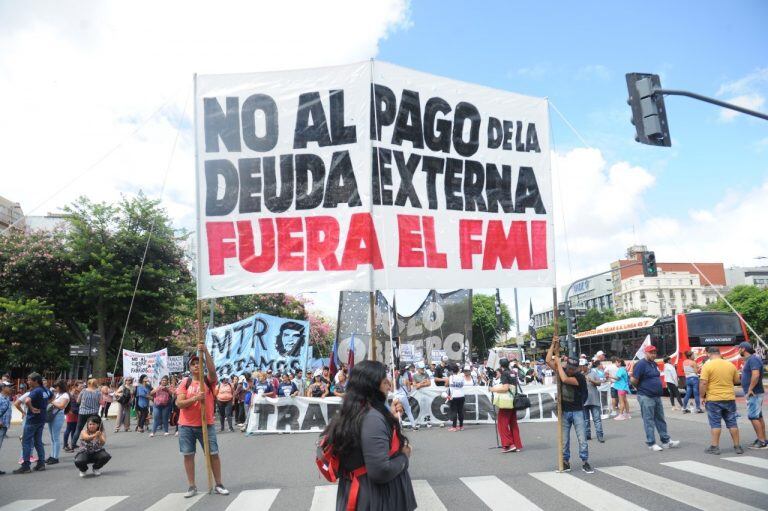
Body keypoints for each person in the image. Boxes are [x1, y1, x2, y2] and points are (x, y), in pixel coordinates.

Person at [322, 360, 416, 511]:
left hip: (364, 492)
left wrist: (389, 416)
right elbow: (380, 471)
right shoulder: (372, 417)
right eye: (385, 382)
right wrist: (404, 456)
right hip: (375, 498)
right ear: (371, 386)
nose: (389, 386)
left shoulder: (358, 410)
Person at [175, 343, 229, 497]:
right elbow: (179, 403)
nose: (196, 365)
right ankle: (192, 486)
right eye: (193, 364)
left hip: (206, 424)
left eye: (199, 363)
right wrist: (195, 399)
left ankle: (218, 484)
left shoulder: (208, 380)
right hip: (186, 426)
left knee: (213, 454)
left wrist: (205, 351)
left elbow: (213, 371)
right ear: (190, 368)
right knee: (188, 454)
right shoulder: (185, 382)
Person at [546, 339, 593, 473]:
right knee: (564, 440)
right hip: (564, 411)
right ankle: (565, 462)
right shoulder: (563, 369)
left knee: (582, 438)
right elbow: (548, 359)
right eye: (569, 368)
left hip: (578, 411)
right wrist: (553, 345)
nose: (570, 370)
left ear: (577, 368)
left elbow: (565, 379)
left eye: (573, 369)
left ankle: (585, 461)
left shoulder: (580, 377)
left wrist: (559, 363)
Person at [631, 345, 680, 452]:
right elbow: (633, 380)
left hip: (656, 396)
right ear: (646, 353)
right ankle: (651, 443)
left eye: (654, 352)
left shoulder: (654, 364)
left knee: (660, 419)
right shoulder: (641, 364)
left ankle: (666, 441)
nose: (653, 354)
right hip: (646, 396)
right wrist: (641, 388)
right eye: (651, 353)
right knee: (649, 421)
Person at [700, 346, 742, 454]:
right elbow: (737, 381)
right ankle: (737, 446)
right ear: (719, 353)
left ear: (708, 354)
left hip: (714, 399)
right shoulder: (730, 365)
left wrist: (702, 396)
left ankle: (715, 447)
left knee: (715, 423)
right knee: (732, 422)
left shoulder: (707, 365)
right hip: (729, 398)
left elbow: (703, 383)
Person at [13, 372, 49, 474]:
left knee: (26, 442)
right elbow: (52, 397)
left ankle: (26, 466)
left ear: (36, 381)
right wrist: (43, 407)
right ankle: (41, 463)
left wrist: (32, 408)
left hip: (32, 420)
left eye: (29, 380)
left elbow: (27, 400)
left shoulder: (35, 391)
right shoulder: (45, 390)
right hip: (41, 419)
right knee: (38, 442)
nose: (28, 382)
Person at [738, 342, 767, 449]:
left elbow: (755, 375)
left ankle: (761, 441)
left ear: (743, 349)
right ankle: (762, 438)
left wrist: (750, 389)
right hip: (755, 392)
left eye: (739, 348)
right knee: (758, 416)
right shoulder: (752, 359)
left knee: (753, 416)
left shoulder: (753, 359)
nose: (738, 350)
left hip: (754, 392)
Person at [491, 358, 523, 453]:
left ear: (501, 366)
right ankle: (516, 444)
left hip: (506, 401)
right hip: (514, 400)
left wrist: (493, 389)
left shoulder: (504, 374)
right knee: (513, 423)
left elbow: (505, 388)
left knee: (502, 423)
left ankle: (509, 444)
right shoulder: (513, 372)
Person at [46, 380, 70, 464]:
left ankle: (55, 457)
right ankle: (52, 455)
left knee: (55, 438)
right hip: (52, 416)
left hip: (58, 416)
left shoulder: (65, 395)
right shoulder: (58, 394)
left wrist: (52, 401)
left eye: (56, 387)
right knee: (52, 437)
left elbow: (62, 406)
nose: (55, 388)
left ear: (60, 387)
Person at [583, 359, 605, 443]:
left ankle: (600, 435)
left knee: (597, 419)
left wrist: (591, 380)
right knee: (585, 420)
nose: (582, 367)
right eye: (581, 366)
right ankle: (587, 435)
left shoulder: (593, 373)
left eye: (584, 366)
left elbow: (599, 383)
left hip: (594, 400)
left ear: (586, 365)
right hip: (584, 401)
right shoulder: (579, 374)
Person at [395, 364, 419, 430]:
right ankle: (413, 426)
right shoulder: (406, 380)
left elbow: (392, 389)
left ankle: (399, 426)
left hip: (396, 397)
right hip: (403, 397)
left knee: (398, 411)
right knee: (408, 411)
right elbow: (409, 390)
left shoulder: (394, 380)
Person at [446, 365, 466, 432]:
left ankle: (454, 427)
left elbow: (447, 384)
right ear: (458, 370)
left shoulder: (451, 377)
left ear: (452, 371)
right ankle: (461, 426)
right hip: (461, 395)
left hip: (454, 396)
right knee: (460, 411)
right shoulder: (462, 377)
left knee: (454, 411)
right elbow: (463, 384)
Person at [0, 383, 13, 474]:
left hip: (4, 426)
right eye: (9, 387)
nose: (11, 388)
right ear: (3, 388)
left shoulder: (7, 398)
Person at [63, 383, 80, 451]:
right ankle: (65, 444)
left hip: (75, 415)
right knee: (69, 429)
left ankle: (73, 443)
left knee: (74, 430)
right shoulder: (71, 396)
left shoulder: (74, 395)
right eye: (76, 389)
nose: (77, 391)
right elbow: (73, 408)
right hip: (71, 414)